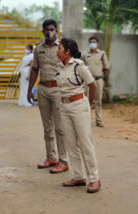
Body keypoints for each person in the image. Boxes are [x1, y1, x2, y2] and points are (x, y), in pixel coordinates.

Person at [56, 38, 101, 193]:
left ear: (67, 51)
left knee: (85, 142)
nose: (57, 51)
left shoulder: (78, 66)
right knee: (71, 143)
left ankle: (94, 179)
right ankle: (78, 177)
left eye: (59, 48)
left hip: (79, 106)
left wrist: (89, 103)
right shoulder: (59, 67)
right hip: (64, 106)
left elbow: (92, 84)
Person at [27, 19, 69, 174]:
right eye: (46, 29)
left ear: (56, 30)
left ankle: (63, 161)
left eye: (51, 29)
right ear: (42, 31)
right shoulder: (38, 48)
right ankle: (51, 157)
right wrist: (30, 89)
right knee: (47, 128)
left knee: (60, 127)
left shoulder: (63, 48)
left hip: (58, 89)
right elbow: (34, 69)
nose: (49, 32)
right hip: (43, 89)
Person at [81, 36, 110, 127]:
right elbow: (80, 66)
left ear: (97, 43)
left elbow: (106, 66)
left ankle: (99, 120)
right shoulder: (84, 54)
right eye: (90, 42)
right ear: (89, 44)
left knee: (98, 101)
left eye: (94, 42)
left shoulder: (102, 54)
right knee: (86, 101)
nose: (92, 43)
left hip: (98, 80)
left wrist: (99, 71)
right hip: (87, 82)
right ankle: (86, 120)